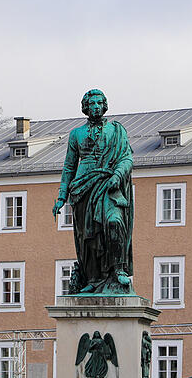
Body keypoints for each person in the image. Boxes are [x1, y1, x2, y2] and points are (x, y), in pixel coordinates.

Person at [52, 89, 134, 294]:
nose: (96, 107)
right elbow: (69, 166)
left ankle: (118, 269)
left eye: (99, 103)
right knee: (87, 236)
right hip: (82, 187)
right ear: (86, 108)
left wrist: (117, 175)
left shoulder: (116, 130)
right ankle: (93, 278)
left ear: (104, 105)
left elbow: (127, 158)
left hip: (108, 183)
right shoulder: (76, 134)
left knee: (114, 221)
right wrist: (62, 197)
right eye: (92, 104)